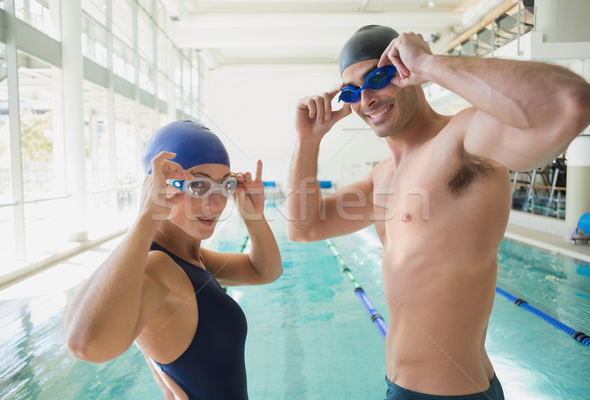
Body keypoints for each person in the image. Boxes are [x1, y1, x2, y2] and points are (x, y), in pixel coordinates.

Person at [287, 25, 590, 400]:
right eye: (352, 91)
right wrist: (308, 140)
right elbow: (304, 227)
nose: (366, 98)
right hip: (402, 387)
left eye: (378, 78)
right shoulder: (381, 178)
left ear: (405, 71)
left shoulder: (461, 141)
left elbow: (568, 103)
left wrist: (431, 63)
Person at [66, 120, 283, 400]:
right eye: (199, 185)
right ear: (161, 187)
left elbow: (264, 270)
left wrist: (253, 216)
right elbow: (85, 345)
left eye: (224, 185)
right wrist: (147, 217)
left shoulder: (190, 260)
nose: (217, 203)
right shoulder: (159, 267)